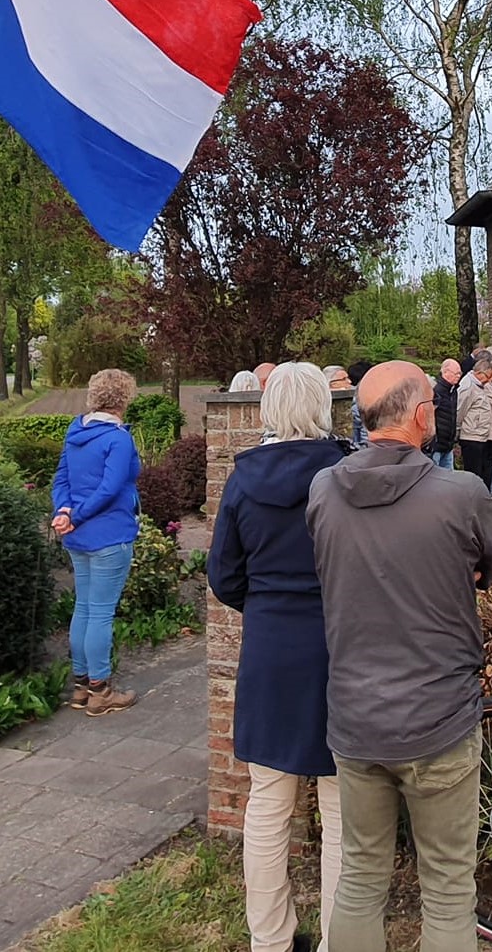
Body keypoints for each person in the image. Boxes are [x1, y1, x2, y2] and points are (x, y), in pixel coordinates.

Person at [307, 361, 492, 952]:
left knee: (361, 878)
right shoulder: (461, 493)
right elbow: (486, 565)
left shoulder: (323, 491)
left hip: (354, 719)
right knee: (447, 887)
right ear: (422, 416)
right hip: (438, 718)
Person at [208, 362, 344, 952]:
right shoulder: (343, 473)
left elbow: (223, 575)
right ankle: (345, 937)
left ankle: (271, 940)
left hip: (269, 649)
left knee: (268, 800)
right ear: (323, 406)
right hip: (338, 648)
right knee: (344, 806)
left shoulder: (243, 481)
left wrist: (265, 605)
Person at [51, 368, 142, 716]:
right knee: (101, 612)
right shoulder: (118, 439)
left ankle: (80, 687)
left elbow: (61, 478)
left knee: (84, 608)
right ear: (123, 398)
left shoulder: (76, 431)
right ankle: (101, 692)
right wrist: (76, 514)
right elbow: (111, 487)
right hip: (109, 534)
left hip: (77, 536)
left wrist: (64, 511)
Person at [455, 354, 492, 495]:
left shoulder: (479, 385)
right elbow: (460, 410)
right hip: (472, 436)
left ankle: (482, 500)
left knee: (482, 470)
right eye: (487, 377)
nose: (487, 382)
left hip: (480, 435)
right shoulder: (468, 386)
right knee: (474, 473)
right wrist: (458, 430)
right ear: (479, 373)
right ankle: (474, 502)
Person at [427, 358, 461, 470]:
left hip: (448, 445)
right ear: (445, 372)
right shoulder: (436, 392)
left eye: (460, 373)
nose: (458, 376)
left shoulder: (454, 391)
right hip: (436, 445)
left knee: (449, 477)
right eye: (456, 373)